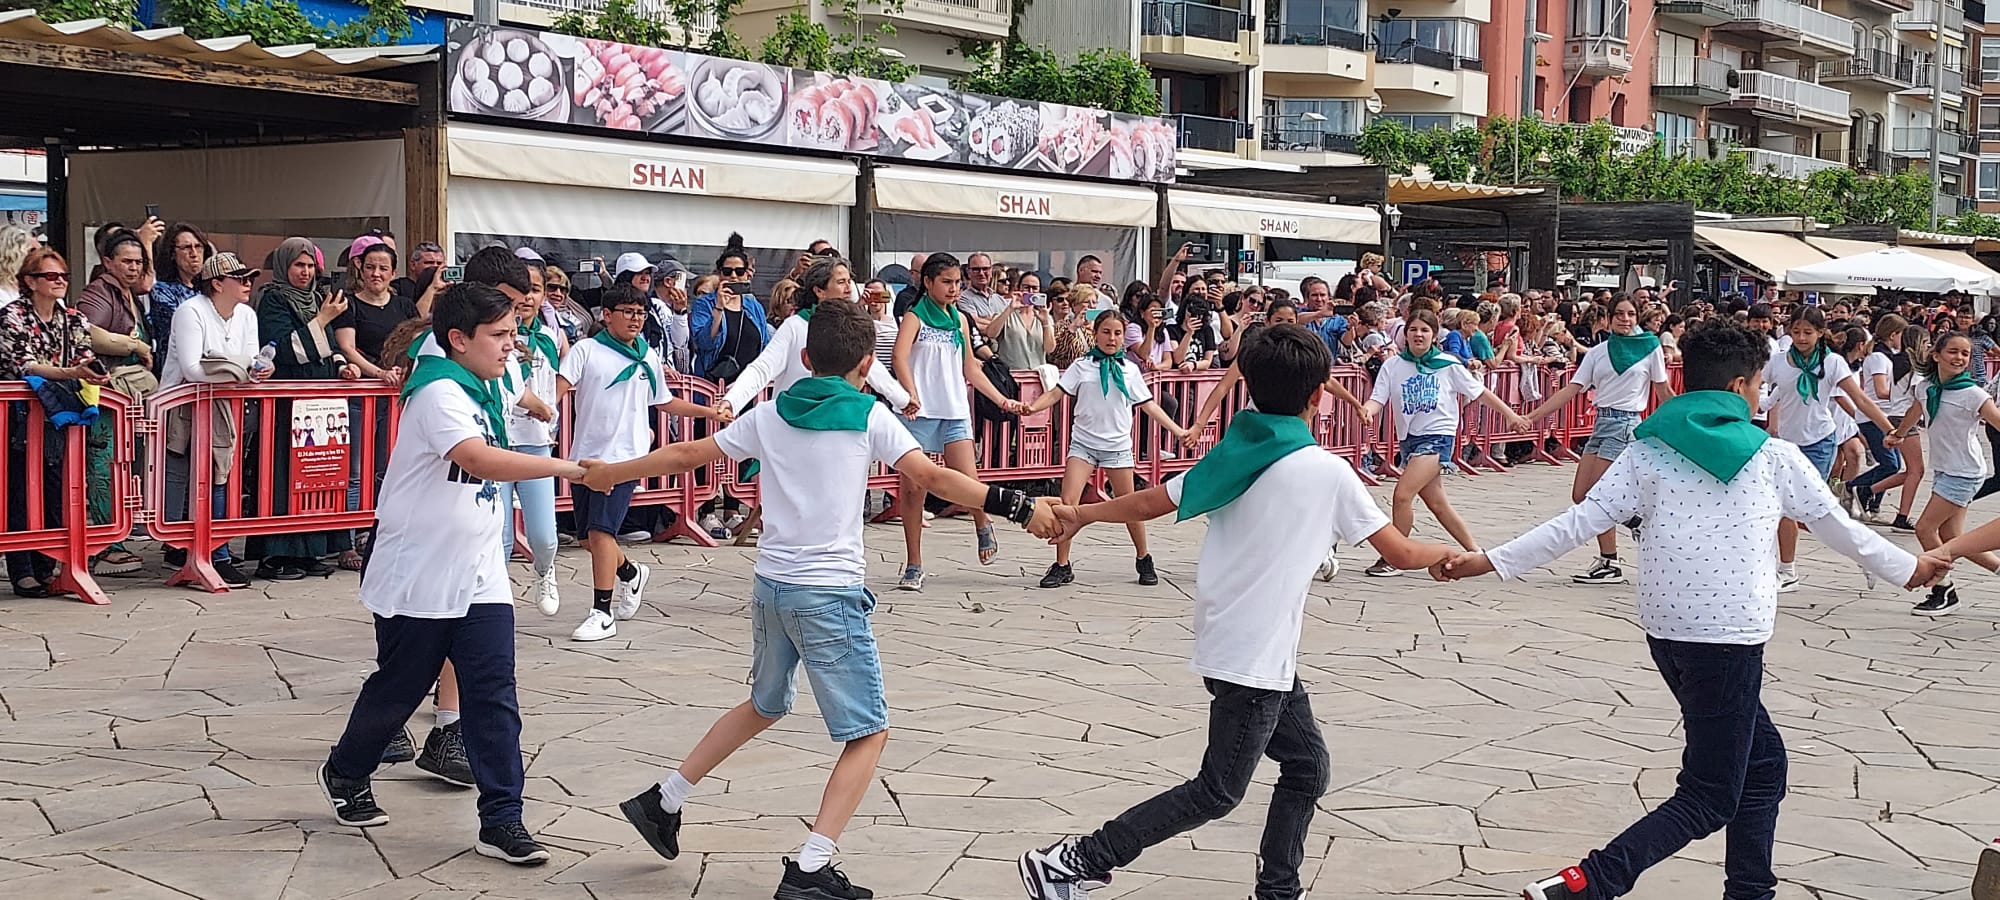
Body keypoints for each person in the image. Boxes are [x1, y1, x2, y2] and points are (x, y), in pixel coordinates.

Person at [1434, 319, 1935, 900]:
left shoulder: (1646, 452)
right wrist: (1909, 569)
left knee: (1763, 765)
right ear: (1741, 386)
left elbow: (1578, 522)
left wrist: (1490, 561)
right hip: (1729, 636)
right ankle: (1588, 884)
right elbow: (1839, 529)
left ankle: (1750, 890)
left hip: (1669, 632)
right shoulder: (1774, 457)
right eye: (1759, 386)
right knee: (1709, 794)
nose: (1761, 395)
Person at [595, 299, 1054, 900]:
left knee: (764, 704)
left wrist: (610, 473)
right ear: (867, 365)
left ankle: (665, 800)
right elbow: (933, 478)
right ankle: (811, 867)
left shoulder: (770, 414)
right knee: (868, 732)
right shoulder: (869, 415)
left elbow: (687, 455)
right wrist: (1019, 506)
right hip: (828, 593)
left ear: (806, 358)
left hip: (772, 588)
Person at [1018, 325, 1454, 900]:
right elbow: (1398, 552)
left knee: (1307, 767)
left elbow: (1151, 501)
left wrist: (1081, 514)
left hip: (1246, 647)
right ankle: (1074, 861)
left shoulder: (1234, 452)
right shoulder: (1326, 471)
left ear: (1247, 384)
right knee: (1217, 791)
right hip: (1253, 660)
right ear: (1318, 395)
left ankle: (1278, 890)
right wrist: (1451, 555)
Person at [315, 282, 586, 870]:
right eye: (500, 335)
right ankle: (346, 771)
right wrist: (571, 470)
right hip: (419, 569)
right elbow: (476, 457)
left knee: (494, 695)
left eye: (514, 333)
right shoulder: (438, 392)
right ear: (458, 339)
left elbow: (522, 399)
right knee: (399, 687)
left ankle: (503, 820)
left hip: (480, 570)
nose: (511, 345)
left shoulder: (491, 380)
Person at [558, 286, 723, 642]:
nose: (635, 319)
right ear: (607, 314)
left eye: (640, 313)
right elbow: (558, 388)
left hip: (626, 459)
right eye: (628, 311)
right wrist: (540, 410)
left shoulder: (647, 356)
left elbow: (664, 401)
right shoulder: (587, 350)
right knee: (588, 539)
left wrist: (708, 412)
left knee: (602, 533)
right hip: (586, 456)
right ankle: (631, 574)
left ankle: (602, 612)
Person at [1358, 310, 1534, 577]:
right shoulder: (1393, 365)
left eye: (1424, 330)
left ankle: (1395, 557)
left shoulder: (1447, 364)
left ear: (1434, 335)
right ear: (1405, 334)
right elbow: (1377, 398)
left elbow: (1480, 392)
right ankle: (1477, 553)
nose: (1418, 335)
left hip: (1438, 437)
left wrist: (1511, 415)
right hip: (1409, 439)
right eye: (1413, 329)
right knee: (1438, 504)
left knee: (1402, 495)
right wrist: (1366, 411)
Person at [890, 253, 1029, 588]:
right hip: (918, 412)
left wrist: (1001, 398)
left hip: (953, 409)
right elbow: (899, 357)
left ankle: (982, 521)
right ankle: (914, 563)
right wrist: (910, 391)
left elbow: (971, 368)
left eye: (957, 283)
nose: (953, 289)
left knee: (968, 478)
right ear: (928, 282)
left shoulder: (960, 320)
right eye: (946, 282)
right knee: (913, 489)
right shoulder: (914, 317)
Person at [1022, 309, 1188, 590]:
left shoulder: (1130, 369)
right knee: (1068, 503)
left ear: (1123, 337)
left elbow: (1149, 405)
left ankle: (1143, 557)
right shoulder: (1081, 365)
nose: (1112, 338)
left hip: (1117, 446)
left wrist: (1178, 431)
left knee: (1129, 504)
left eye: (1118, 333)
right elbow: (1056, 393)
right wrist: (1032, 407)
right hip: (1083, 444)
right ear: (1095, 334)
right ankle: (1062, 564)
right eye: (1106, 332)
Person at [1521, 296, 1673, 585]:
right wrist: (1533, 416)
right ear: (1609, 317)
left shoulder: (1650, 347)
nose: (1625, 319)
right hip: (1601, 422)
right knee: (1581, 495)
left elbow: (1663, 390)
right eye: (1619, 314)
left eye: (1631, 314)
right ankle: (1634, 522)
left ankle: (1610, 559)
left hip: (1626, 423)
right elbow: (1572, 389)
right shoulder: (1598, 352)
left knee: (1600, 495)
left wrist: (1687, 417)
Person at [1, 247, 110, 597]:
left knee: (55, 491)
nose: (60, 281)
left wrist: (92, 372)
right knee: (19, 491)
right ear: (30, 281)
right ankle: (22, 570)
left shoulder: (73, 318)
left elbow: (84, 356)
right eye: (51, 276)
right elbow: (24, 365)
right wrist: (71, 372)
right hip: (17, 419)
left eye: (63, 275)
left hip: (59, 417)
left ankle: (47, 565)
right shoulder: (12, 316)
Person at [1761, 307, 1894, 592]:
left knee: (1816, 509)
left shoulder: (1832, 362)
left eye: (1808, 332)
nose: (1801, 338)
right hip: (1786, 443)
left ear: (1821, 333)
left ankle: (1866, 555)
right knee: (1785, 507)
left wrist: (1888, 429)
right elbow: (1750, 387)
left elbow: (1860, 399)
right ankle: (1787, 571)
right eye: (1796, 331)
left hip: (1819, 442)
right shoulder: (1778, 361)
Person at [251, 237, 360, 580]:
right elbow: (281, 348)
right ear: (284, 266)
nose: (305, 272)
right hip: (287, 406)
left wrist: (342, 366)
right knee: (285, 476)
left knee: (318, 474)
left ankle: (311, 550)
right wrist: (322, 318)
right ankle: (277, 555)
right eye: (299, 265)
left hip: (320, 405)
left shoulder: (316, 298)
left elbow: (329, 345)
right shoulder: (273, 299)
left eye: (310, 265)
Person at [1886, 332, 2000, 617]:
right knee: (1953, 536)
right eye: (1952, 351)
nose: (1959, 358)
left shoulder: (1974, 394)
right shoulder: (1926, 387)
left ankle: (1944, 590)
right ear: (1936, 355)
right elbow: (1915, 412)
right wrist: (1898, 435)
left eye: (1965, 353)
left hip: (1964, 472)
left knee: (1925, 529)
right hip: (1945, 469)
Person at [717, 257, 913, 422]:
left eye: (849, 281)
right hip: (791, 421)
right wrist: (732, 401)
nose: (848, 289)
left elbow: (873, 368)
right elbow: (762, 368)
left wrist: (903, 400)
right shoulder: (795, 326)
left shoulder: (852, 326)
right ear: (819, 291)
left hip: (834, 421)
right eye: (841, 282)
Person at [75, 226, 156, 577]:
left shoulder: (128, 292)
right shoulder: (99, 290)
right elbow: (85, 332)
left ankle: (113, 539)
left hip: (126, 396)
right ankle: (106, 544)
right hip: (107, 394)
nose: (134, 267)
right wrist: (134, 345)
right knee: (104, 465)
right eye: (127, 261)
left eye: (138, 261)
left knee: (121, 466)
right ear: (108, 262)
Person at [497, 261, 566, 617]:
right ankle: (497, 600)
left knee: (544, 535)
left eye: (534, 290)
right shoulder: (493, 333)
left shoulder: (549, 337)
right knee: (499, 535)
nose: (526, 298)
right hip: (497, 442)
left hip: (535, 441)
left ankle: (544, 570)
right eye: (521, 291)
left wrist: (550, 414)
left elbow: (553, 383)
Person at [148, 222, 211, 366]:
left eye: (198, 246)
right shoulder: (162, 291)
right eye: (186, 248)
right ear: (172, 254)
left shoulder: (209, 289)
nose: (194, 254)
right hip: (176, 367)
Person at [985, 271, 1055, 371]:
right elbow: (991, 333)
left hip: (1037, 375)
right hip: (1011, 374)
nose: (1030, 291)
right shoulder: (1007, 313)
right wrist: (1010, 308)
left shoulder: (1044, 316)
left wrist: (1045, 323)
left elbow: (1050, 349)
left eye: (1034, 288)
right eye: (1026, 287)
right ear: (1018, 288)